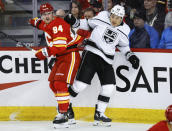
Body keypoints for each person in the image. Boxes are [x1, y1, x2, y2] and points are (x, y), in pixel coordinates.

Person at [64, 4, 140, 126]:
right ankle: (64, 107)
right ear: (110, 14)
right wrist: (75, 21)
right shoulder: (103, 16)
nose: (114, 19)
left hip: (107, 60)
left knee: (109, 87)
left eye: (117, 18)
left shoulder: (125, 29)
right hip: (91, 54)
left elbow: (123, 45)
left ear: (122, 18)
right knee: (80, 85)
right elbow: (87, 24)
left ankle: (99, 113)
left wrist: (130, 56)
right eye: (113, 16)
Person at [29, 3, 84, 128]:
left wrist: (43, 52)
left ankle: (63, 114)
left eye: (49, 13)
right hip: (61, 57)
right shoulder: (48, 23)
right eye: (43, 14)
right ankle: (68, 111)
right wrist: (33, 21)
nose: (46, 16)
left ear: (53, 14)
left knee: (60, 84)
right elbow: (41, 24)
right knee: (53, 84)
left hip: (70, 55)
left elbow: (59, 47)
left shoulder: (58, 24)